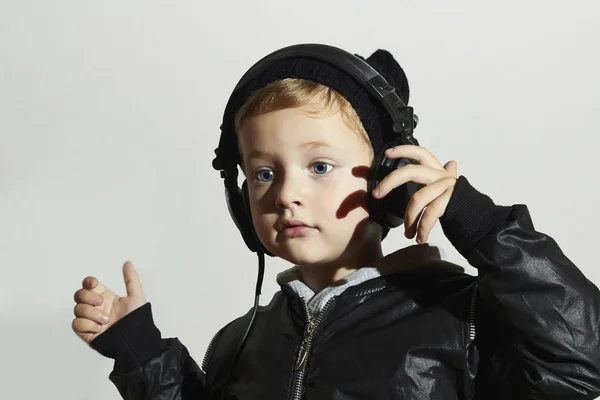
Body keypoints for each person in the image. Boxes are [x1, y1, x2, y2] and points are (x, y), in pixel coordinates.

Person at [72, 44, 600, 399]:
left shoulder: (460, 317)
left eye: (319, 166)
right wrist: (140, 349)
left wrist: (479, 223)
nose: (287, 194)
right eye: (261, 174)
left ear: (389, 176)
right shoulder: (241, 341)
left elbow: (582, 358)